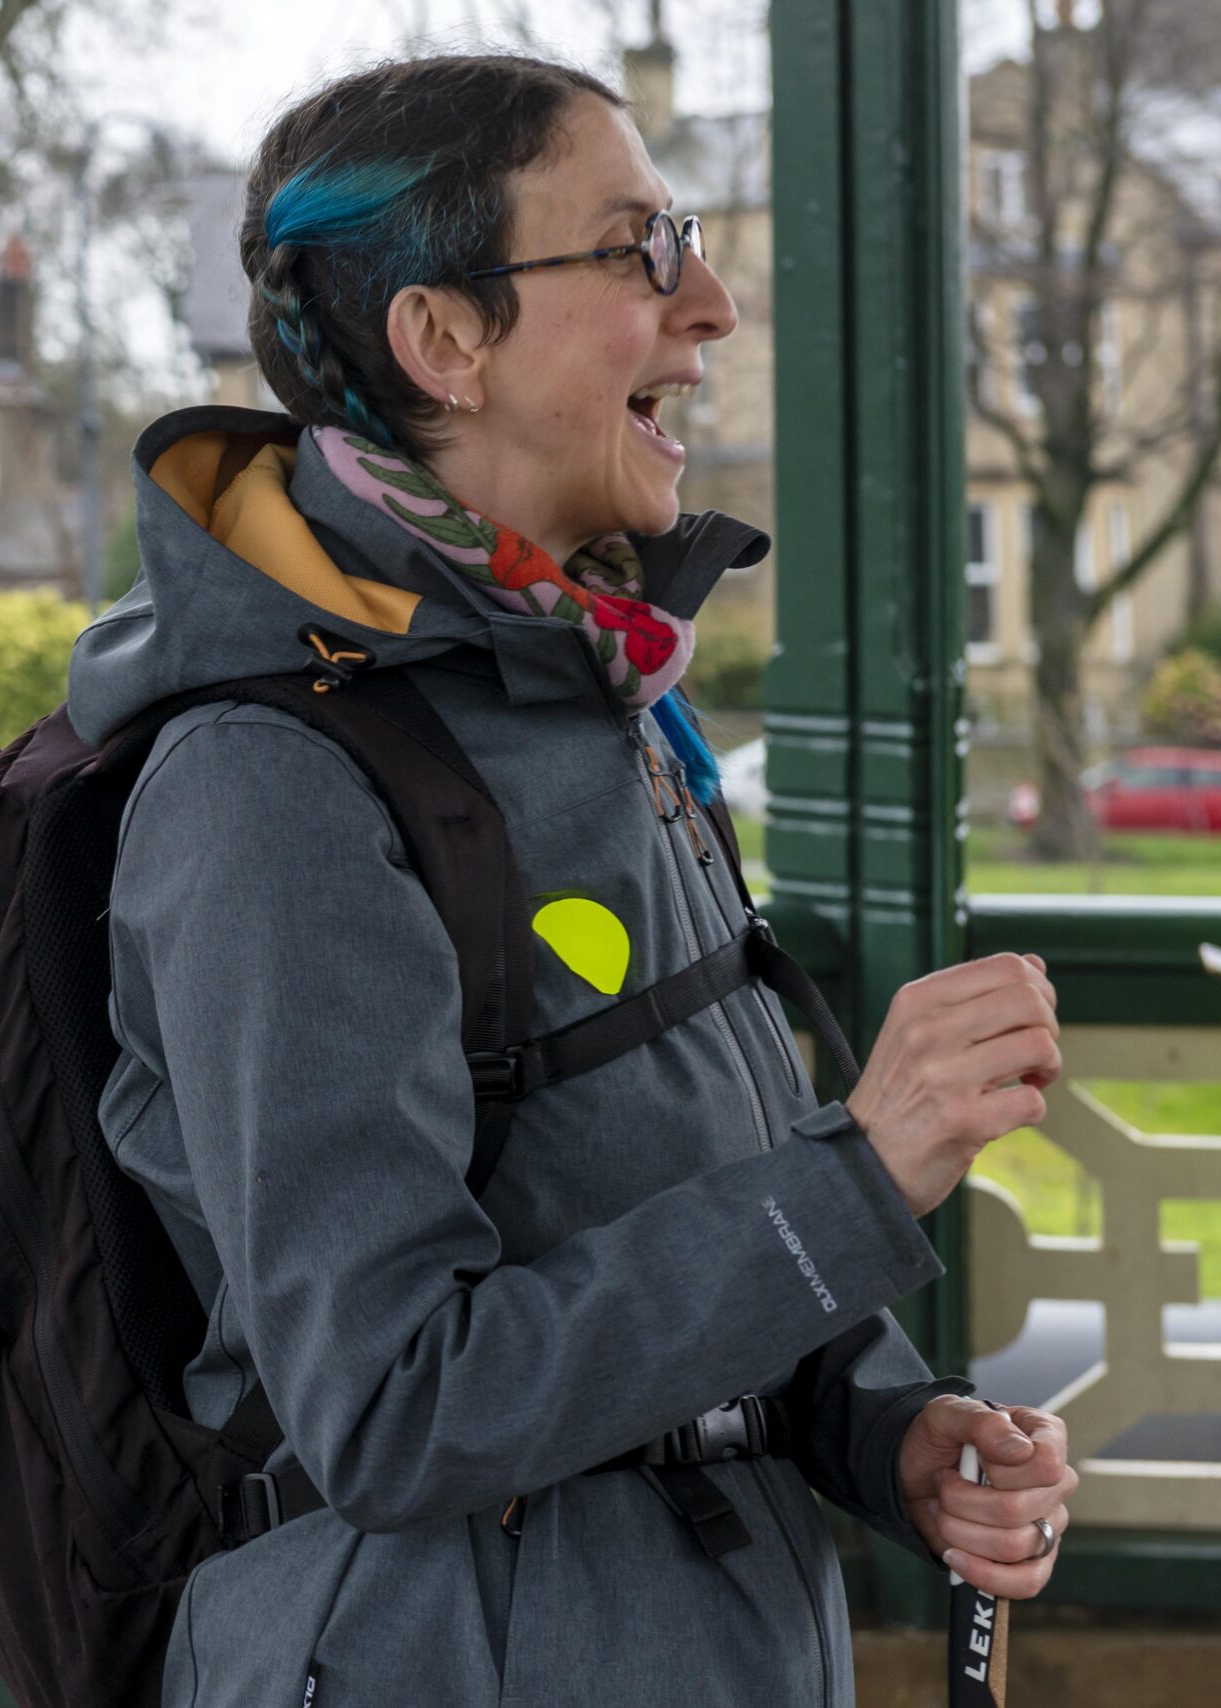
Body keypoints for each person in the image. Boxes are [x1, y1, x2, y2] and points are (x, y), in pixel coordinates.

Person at [70, 53, 1075, 1706]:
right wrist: (859, 1175)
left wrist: (880, 1428)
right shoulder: (270, 787)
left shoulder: (594, 687)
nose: (712, 304)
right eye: (636, 248)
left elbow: (641, 1193)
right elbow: (400, 1408)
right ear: (443, 340)